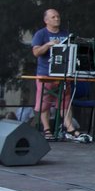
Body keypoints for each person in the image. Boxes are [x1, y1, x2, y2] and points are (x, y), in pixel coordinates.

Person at [31, 9, 75, 139]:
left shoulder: (65, 34)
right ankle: (47, 129)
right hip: (45, 74)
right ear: (46, 20)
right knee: (45, 103)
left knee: (65, 102)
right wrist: (48, 45)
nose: (57, 19)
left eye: (58, 16)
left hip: (63, 74)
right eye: (53, 17)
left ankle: (70, 129)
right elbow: (36, 52)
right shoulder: (41, 34)